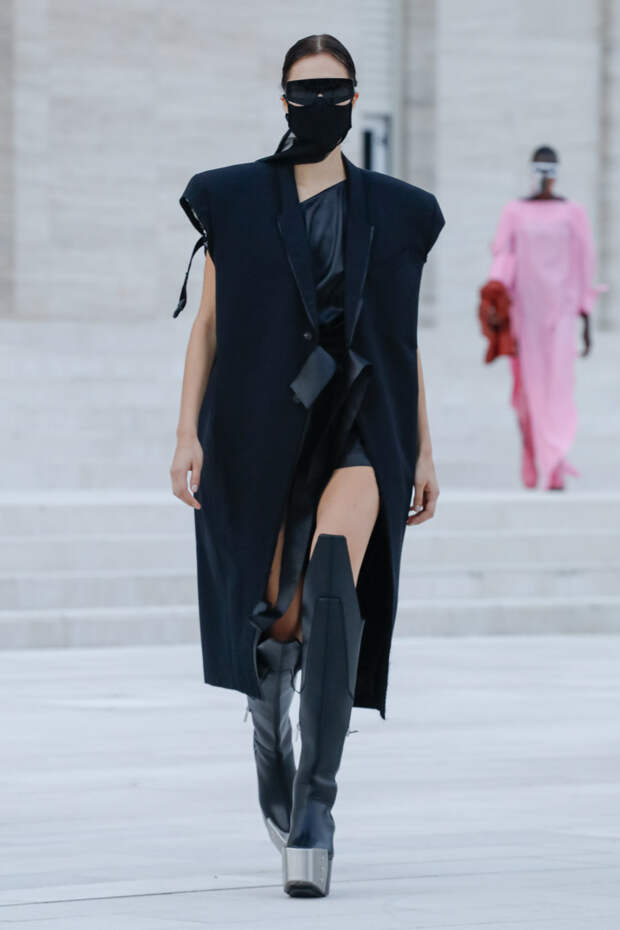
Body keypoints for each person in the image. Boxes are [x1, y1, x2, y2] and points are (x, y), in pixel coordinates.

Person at [169, 34, 444, 896]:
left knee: (330, 578)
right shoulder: (236, 200)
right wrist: (185, 434)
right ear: (283, 98)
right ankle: (270, 739)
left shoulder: (395, 212)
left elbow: (400, 342)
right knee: (279, 622)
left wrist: (424, 447)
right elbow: (209, 325)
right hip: (262, 427)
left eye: (333, 88)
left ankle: (316, 809)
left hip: (361, 425)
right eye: (303, 89)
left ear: (355, 98)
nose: (318, 102)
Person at [482, 146, 603, 490]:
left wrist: (585, 316)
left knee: (559, 389)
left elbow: (584, 262)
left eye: (550, 169)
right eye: (540, 168)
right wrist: (495, 299)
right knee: (527, 391)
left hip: (561, 313)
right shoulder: (515, 211)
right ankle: (532, 455)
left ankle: (555, 465)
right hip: (524, 314)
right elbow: (504, 256)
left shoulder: (573, 213)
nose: (545, 175)